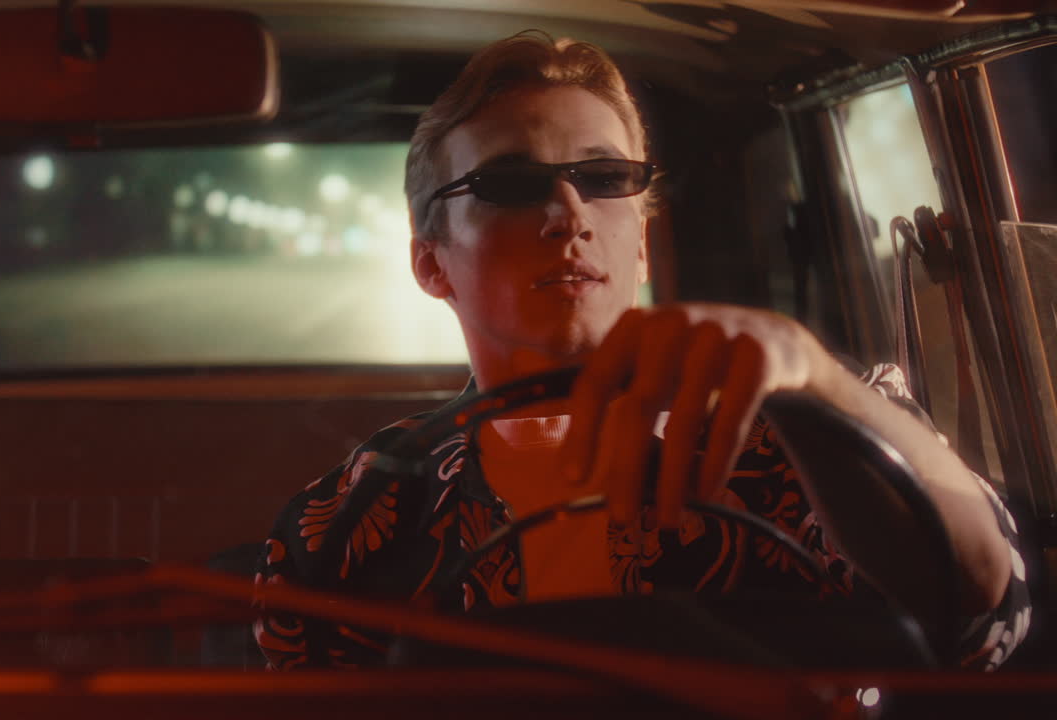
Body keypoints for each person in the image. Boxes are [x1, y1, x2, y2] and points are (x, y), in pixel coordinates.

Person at [253, 31, 1029, 671]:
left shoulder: (810, 424)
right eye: (511, 184)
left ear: (644, 244)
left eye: (604, 177)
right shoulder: (359, 511)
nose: (569, 213)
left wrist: (817, 379)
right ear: (431, 264)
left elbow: (987, 610)